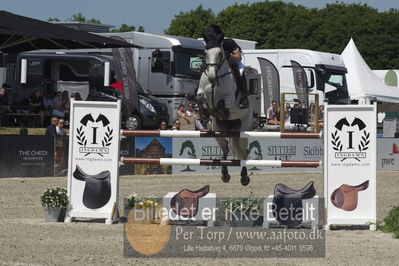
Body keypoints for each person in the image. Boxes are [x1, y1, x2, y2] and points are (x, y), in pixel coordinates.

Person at [222, 38, 249, 109]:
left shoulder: (229, 42)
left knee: (240, 71)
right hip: (222, 62)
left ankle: (244, 97)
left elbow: (238, 57)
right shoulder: (211, 44)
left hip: (235, 59)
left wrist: (230, 56)